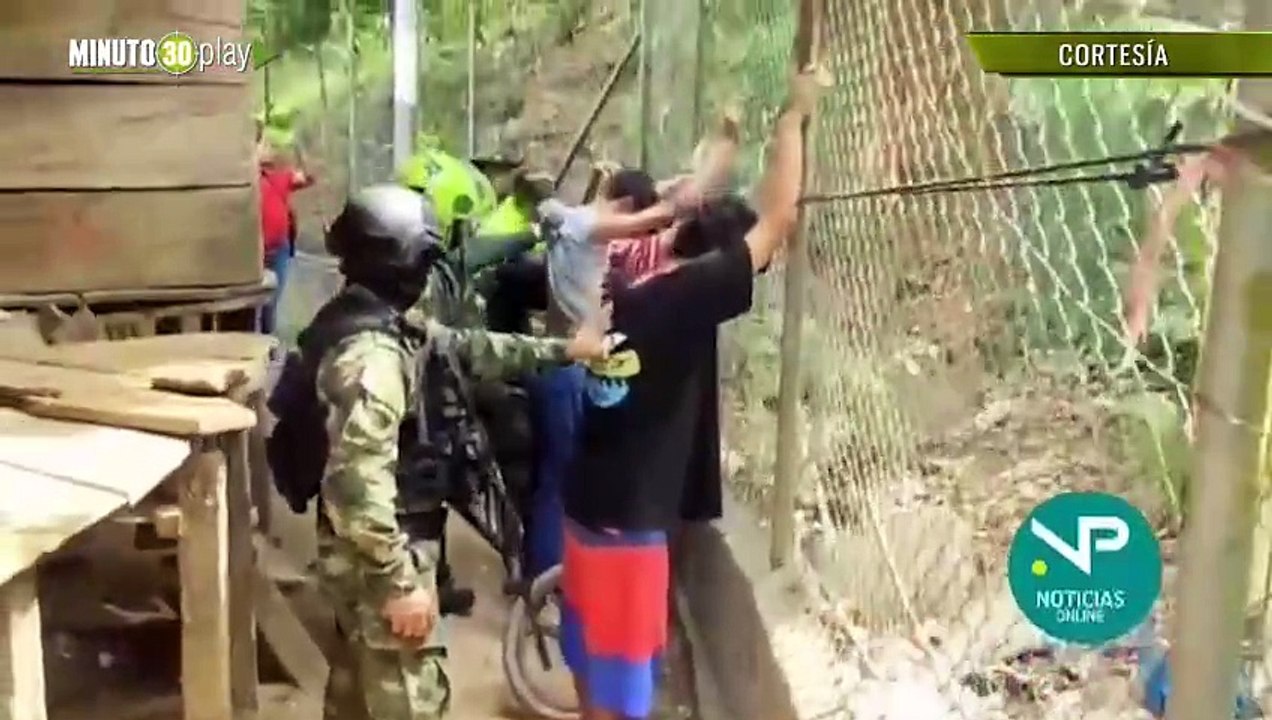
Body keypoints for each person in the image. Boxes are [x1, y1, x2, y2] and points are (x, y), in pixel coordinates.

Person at [560, 68, 822, 720]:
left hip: (587, 507)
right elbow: (778, 219)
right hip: (628, 529)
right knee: (624, 692)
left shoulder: (633, 270)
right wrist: (793, 119)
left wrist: (725, 139)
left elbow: (692, 200)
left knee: (592, 665)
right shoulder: (684, 300)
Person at [290, 184, 608, 719]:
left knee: (357, 697)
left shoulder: (376, 320)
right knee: (411, 698)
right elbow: (355, 483)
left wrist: (563, 350)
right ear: (399, 261)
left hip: (367, 555)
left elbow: (466, 348)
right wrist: (398, 584)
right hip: (381, 560)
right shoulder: (373, 359)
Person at [257, 122, 315, 337]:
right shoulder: (245, 180)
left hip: (278, 247)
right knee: (253, 304)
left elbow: (309, 176)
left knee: (271, 303)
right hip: (254, 251)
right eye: (263, 144)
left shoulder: (279, 177)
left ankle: (267, 344)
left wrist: (299, 146)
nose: (268, 149)